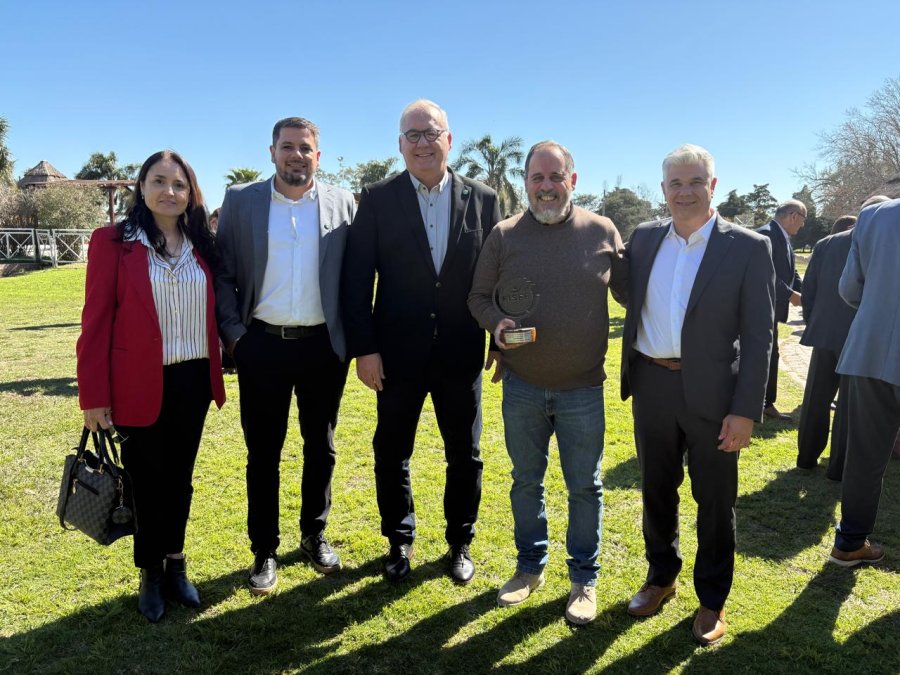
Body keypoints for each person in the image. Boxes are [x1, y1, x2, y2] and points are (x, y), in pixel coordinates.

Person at [620, 144, 774, 646]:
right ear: (663, 189)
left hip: (715, 393)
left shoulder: (748, 247)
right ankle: (661, 576)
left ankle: (712, 599)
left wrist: (745, 410)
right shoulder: (644, 238)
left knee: (714, 500)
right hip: (652, 384)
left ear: (713, 185)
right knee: (655, 489)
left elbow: (760, 336)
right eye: (675, 183)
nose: (684, 192)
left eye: (694, 182)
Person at [341, 99, 500, 584]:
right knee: (392, 452)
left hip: (461, 352)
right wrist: (365, 349)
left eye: (432, 133)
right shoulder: (377, 198)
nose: (423, 143)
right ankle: (399, 540)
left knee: (465, 455)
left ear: (449, 140)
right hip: (395, 356)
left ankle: (460, 541)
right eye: (413, 135)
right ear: (400, 144)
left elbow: (499, 274)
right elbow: (356, 280)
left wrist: (498, 337)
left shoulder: (484, 199)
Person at [468, 141, 627, 624]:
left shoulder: (602, 231)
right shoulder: (504, 235)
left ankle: (583, 579)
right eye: (537, 178)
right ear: (526, 183)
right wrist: (496, 326)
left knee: (585, 488)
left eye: (555, 177)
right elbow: (478, 297)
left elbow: (636, 294)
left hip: (584, 389)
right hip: (523, 385)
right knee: (525, 482)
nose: (546, 186)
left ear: (572, 180)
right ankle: (529, 567)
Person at [76, 150, 226, 622]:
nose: (169, 191)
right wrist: (93, 397)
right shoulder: (113, 242)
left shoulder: (203, 244)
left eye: (179, 184)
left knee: (179, 479)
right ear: (141, 188)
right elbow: (95, 322)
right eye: (159, 181)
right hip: (137, 382)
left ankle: (176, 563)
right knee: (145, 483)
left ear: (190, 193)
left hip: (193, 380)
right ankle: (151, 574)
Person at [215, 117, 355, 594]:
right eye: (288, 146)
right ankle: (264, 549)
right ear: (272, 151)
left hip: (323, 347)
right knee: (263, 452)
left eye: (306, 148)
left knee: (322, 446)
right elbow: (223, 272)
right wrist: (235, 337)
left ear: (318, 154)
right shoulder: (241, 201)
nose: (297, 155)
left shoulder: (343, 203)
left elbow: (354, 275)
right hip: (261, 345)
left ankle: (314, 534)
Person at [828, 181, 900, 567]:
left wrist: (879, 310)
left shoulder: (873, 216)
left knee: (865, 455)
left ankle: (850, 540)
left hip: (870, 350)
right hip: (872, 351)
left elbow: (849, 288)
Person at [796, 215, 857, 476]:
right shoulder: (878, 241)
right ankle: (838, 466)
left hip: (825, 332)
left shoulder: (827, 243)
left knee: (815, 398)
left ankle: (806, 457)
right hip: (858, 336)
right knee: (849, 404)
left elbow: (808, 290)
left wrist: (815, 322)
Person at [757, 200, 806, 421]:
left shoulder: (782, 236)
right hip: (760, 308)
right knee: (762, 355)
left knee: (771, 354)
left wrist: (804, 292)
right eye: (803, 220)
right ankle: (760, 404)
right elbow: (765, 273)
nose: (803, 226)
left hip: (772, 309)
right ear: (794, 216)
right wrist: (789, 294)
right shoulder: (766, 234)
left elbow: (790, 271)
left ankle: (767, 403)